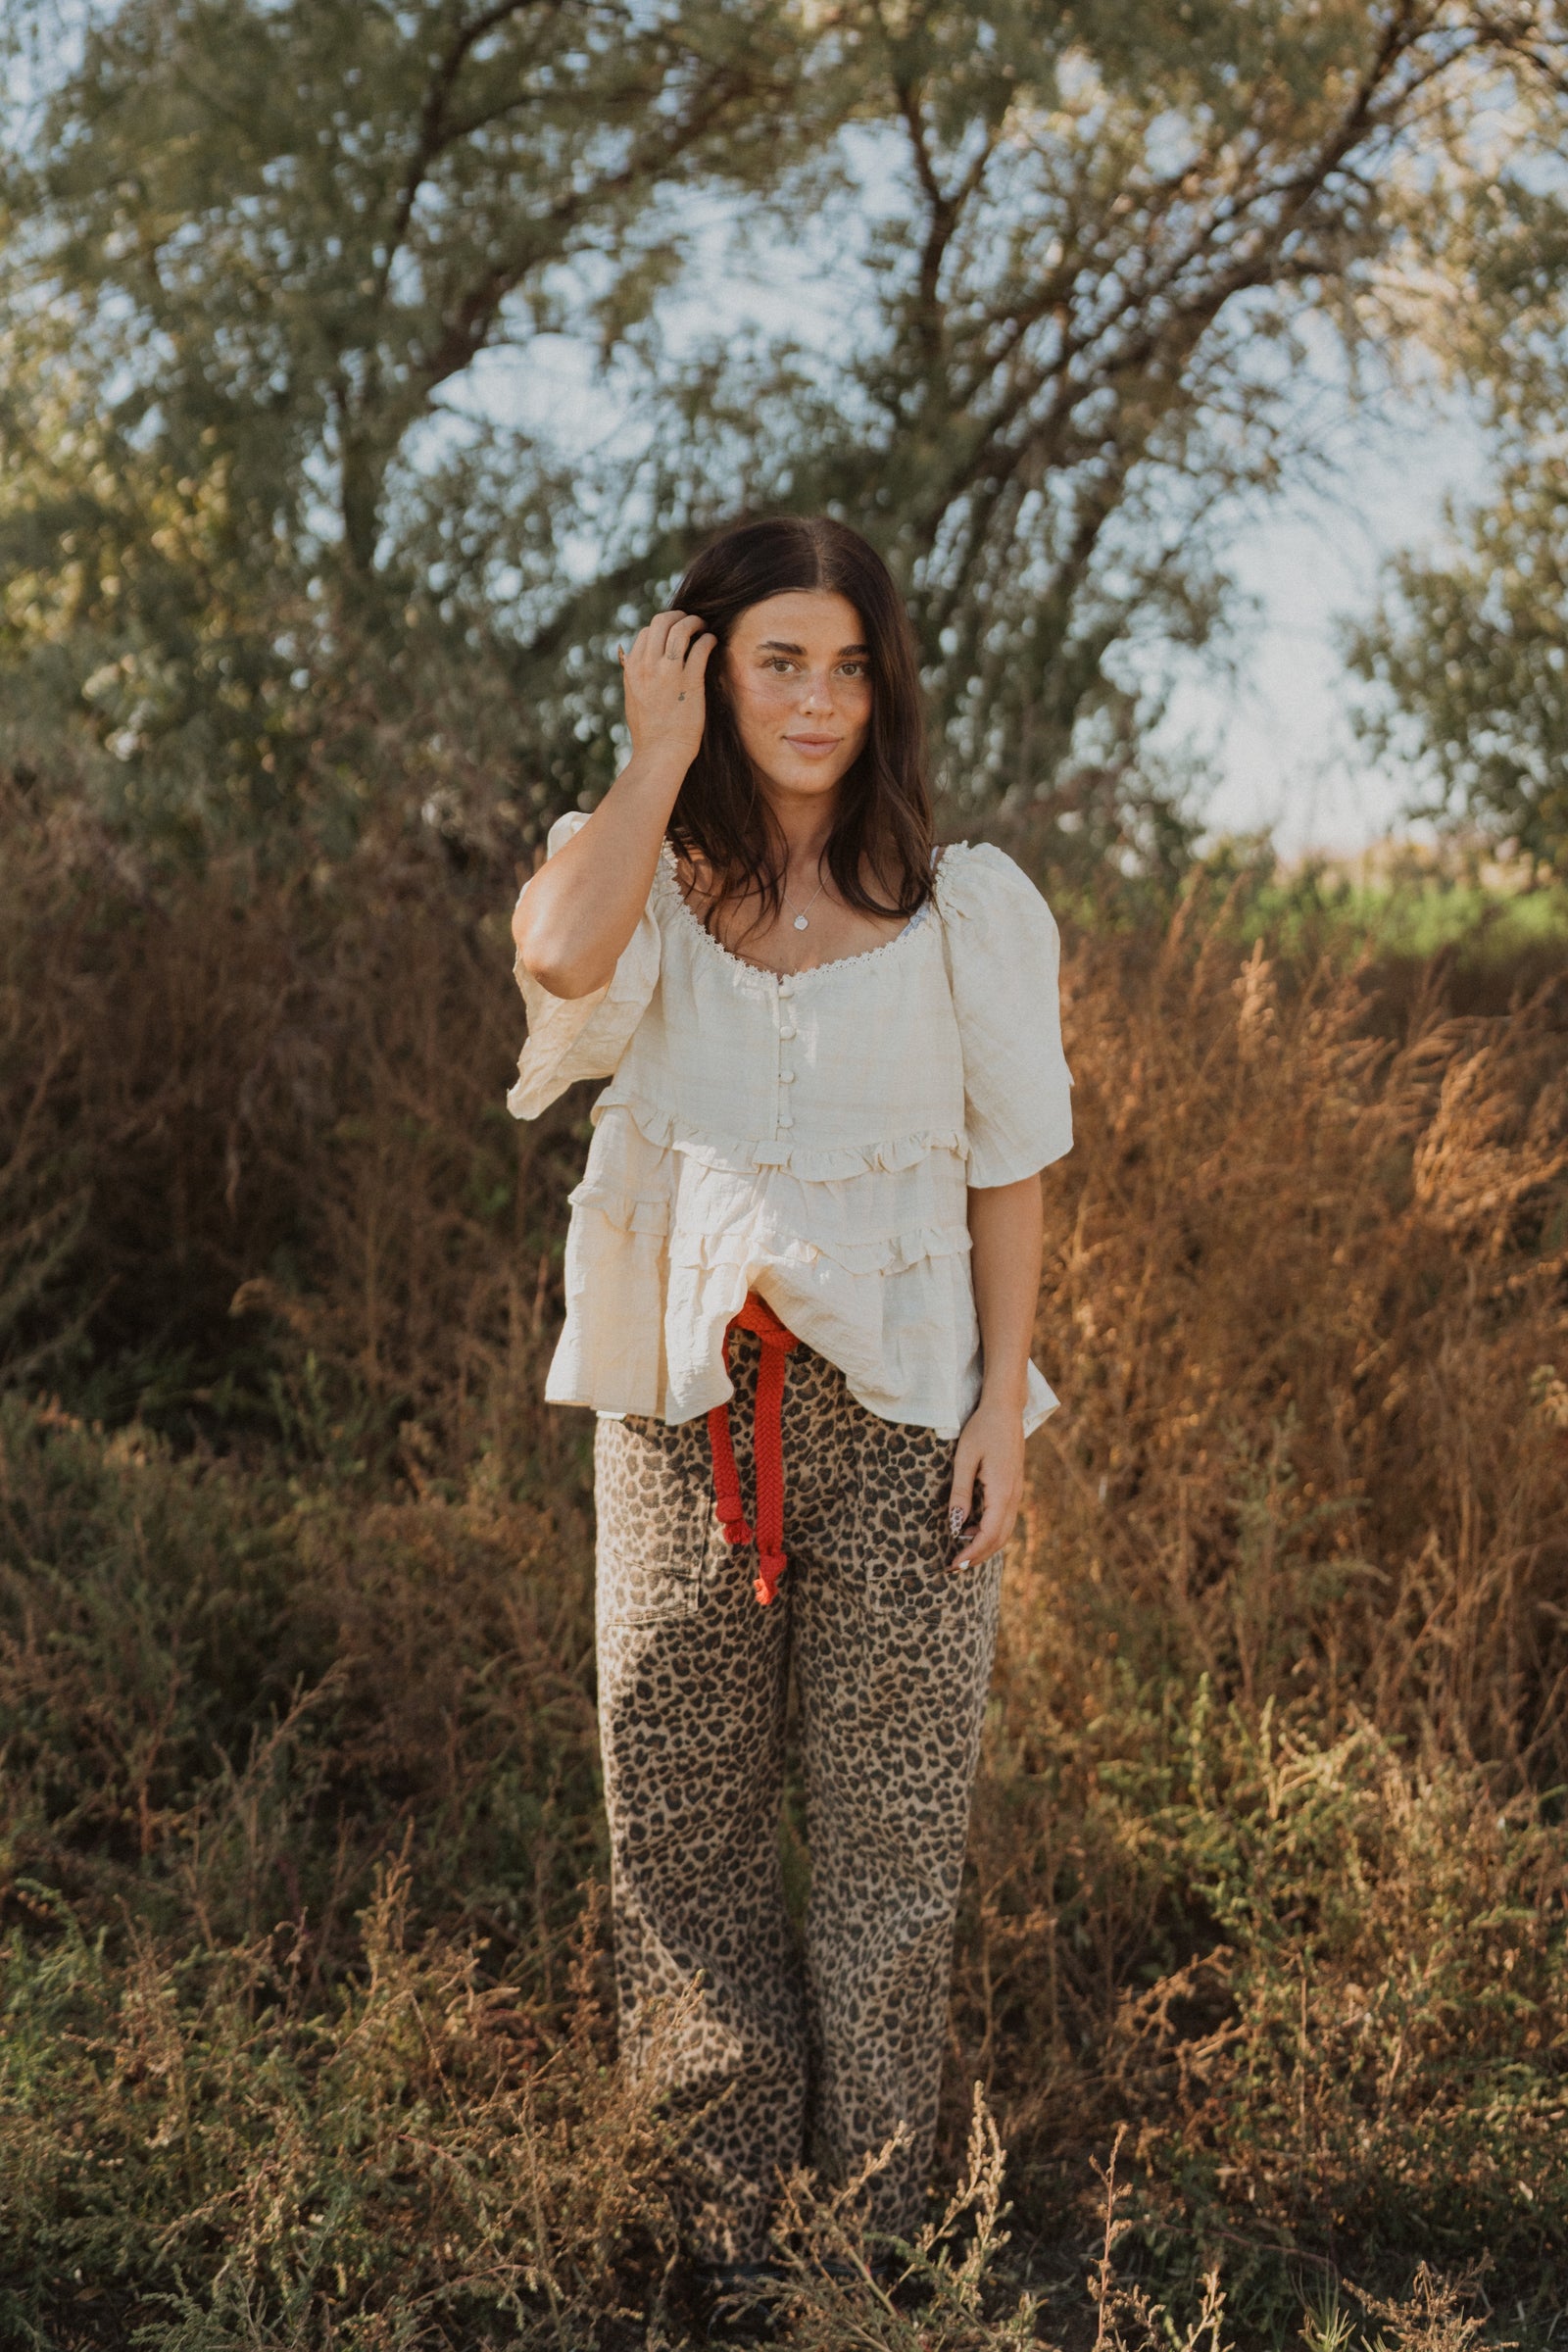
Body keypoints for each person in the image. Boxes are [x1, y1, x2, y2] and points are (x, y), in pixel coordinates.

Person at [508, 514, 1072, 2304]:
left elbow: (1010, 1167)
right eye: (777, 663)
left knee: (891, 1857)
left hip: (908, 1427)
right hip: (684, 1416)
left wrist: (999, 1412)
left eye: (847, 665)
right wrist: (652, 754)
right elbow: (557, 960)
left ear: (885, 685)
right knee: (680, 1831)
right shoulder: (645, 878)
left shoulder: (964, 908)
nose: (818, 700)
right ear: (709, 668)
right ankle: (723, 2245)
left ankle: (875, 2252)